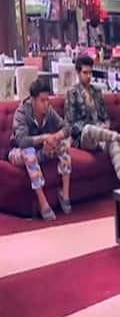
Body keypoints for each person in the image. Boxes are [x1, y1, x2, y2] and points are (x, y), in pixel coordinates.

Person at [65, 55, 120, 189]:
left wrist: (105, 125)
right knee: (89, 128)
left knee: (113, 142)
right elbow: (70, 124)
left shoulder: (97, 92)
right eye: (85, 73)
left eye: (90, 72)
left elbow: (105, 117)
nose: (88, 76)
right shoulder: (72, 93)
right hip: (83, 138)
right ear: (78, 73)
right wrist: (94, 127)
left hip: (102, 136)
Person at [8, 79, 72, 220]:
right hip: (18, 153)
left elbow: (67, 128)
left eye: (47, 100)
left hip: (42, 151)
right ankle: (43, 203)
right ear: (33, 100)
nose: (46, 104)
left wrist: (54, 138)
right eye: (42, 101)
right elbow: (22, 141)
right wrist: (44, 138)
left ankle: (65, 194)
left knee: (63, 145)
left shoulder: (49, 111)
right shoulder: (21, 112)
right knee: (29, 152)